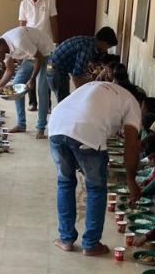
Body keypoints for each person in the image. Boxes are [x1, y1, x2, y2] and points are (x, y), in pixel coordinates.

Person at [48, 81, 143, 255]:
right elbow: (131, 143)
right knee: (96, 188)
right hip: (87, 131)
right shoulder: (133, 102)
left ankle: (65, 239)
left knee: (65, 182)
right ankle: (91, 244)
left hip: (56, 125)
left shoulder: (96, 86)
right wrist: (131, 180)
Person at [0, 26, 54, 138]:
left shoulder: (18, 40)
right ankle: (21, 124)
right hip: (31, 57)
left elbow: (39, 58)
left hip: (45, 54)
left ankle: (40, 128)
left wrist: (32, 79)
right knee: (15, 87)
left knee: (42, 90)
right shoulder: (4, 48)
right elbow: (9, 70)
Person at [18, 0, 59, 113]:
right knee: (32, 74)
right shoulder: (24, 4)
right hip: (30, 44)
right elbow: (22, 25)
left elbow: (54, 22)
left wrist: (55, 42)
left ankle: (46, 104)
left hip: (46, 45)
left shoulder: (49, 0)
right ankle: (33, 102)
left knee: (46, 74)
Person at [47, 27, 119, 101]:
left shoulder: (89, 42)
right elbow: (76, 76)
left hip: (53, 68)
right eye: (108, 46)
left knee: (65, 100)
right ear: (103, 42)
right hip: (56, 71)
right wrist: (84, 96)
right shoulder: (86, 48)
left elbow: (78, 69)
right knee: (64, 102)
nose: (106, 49)